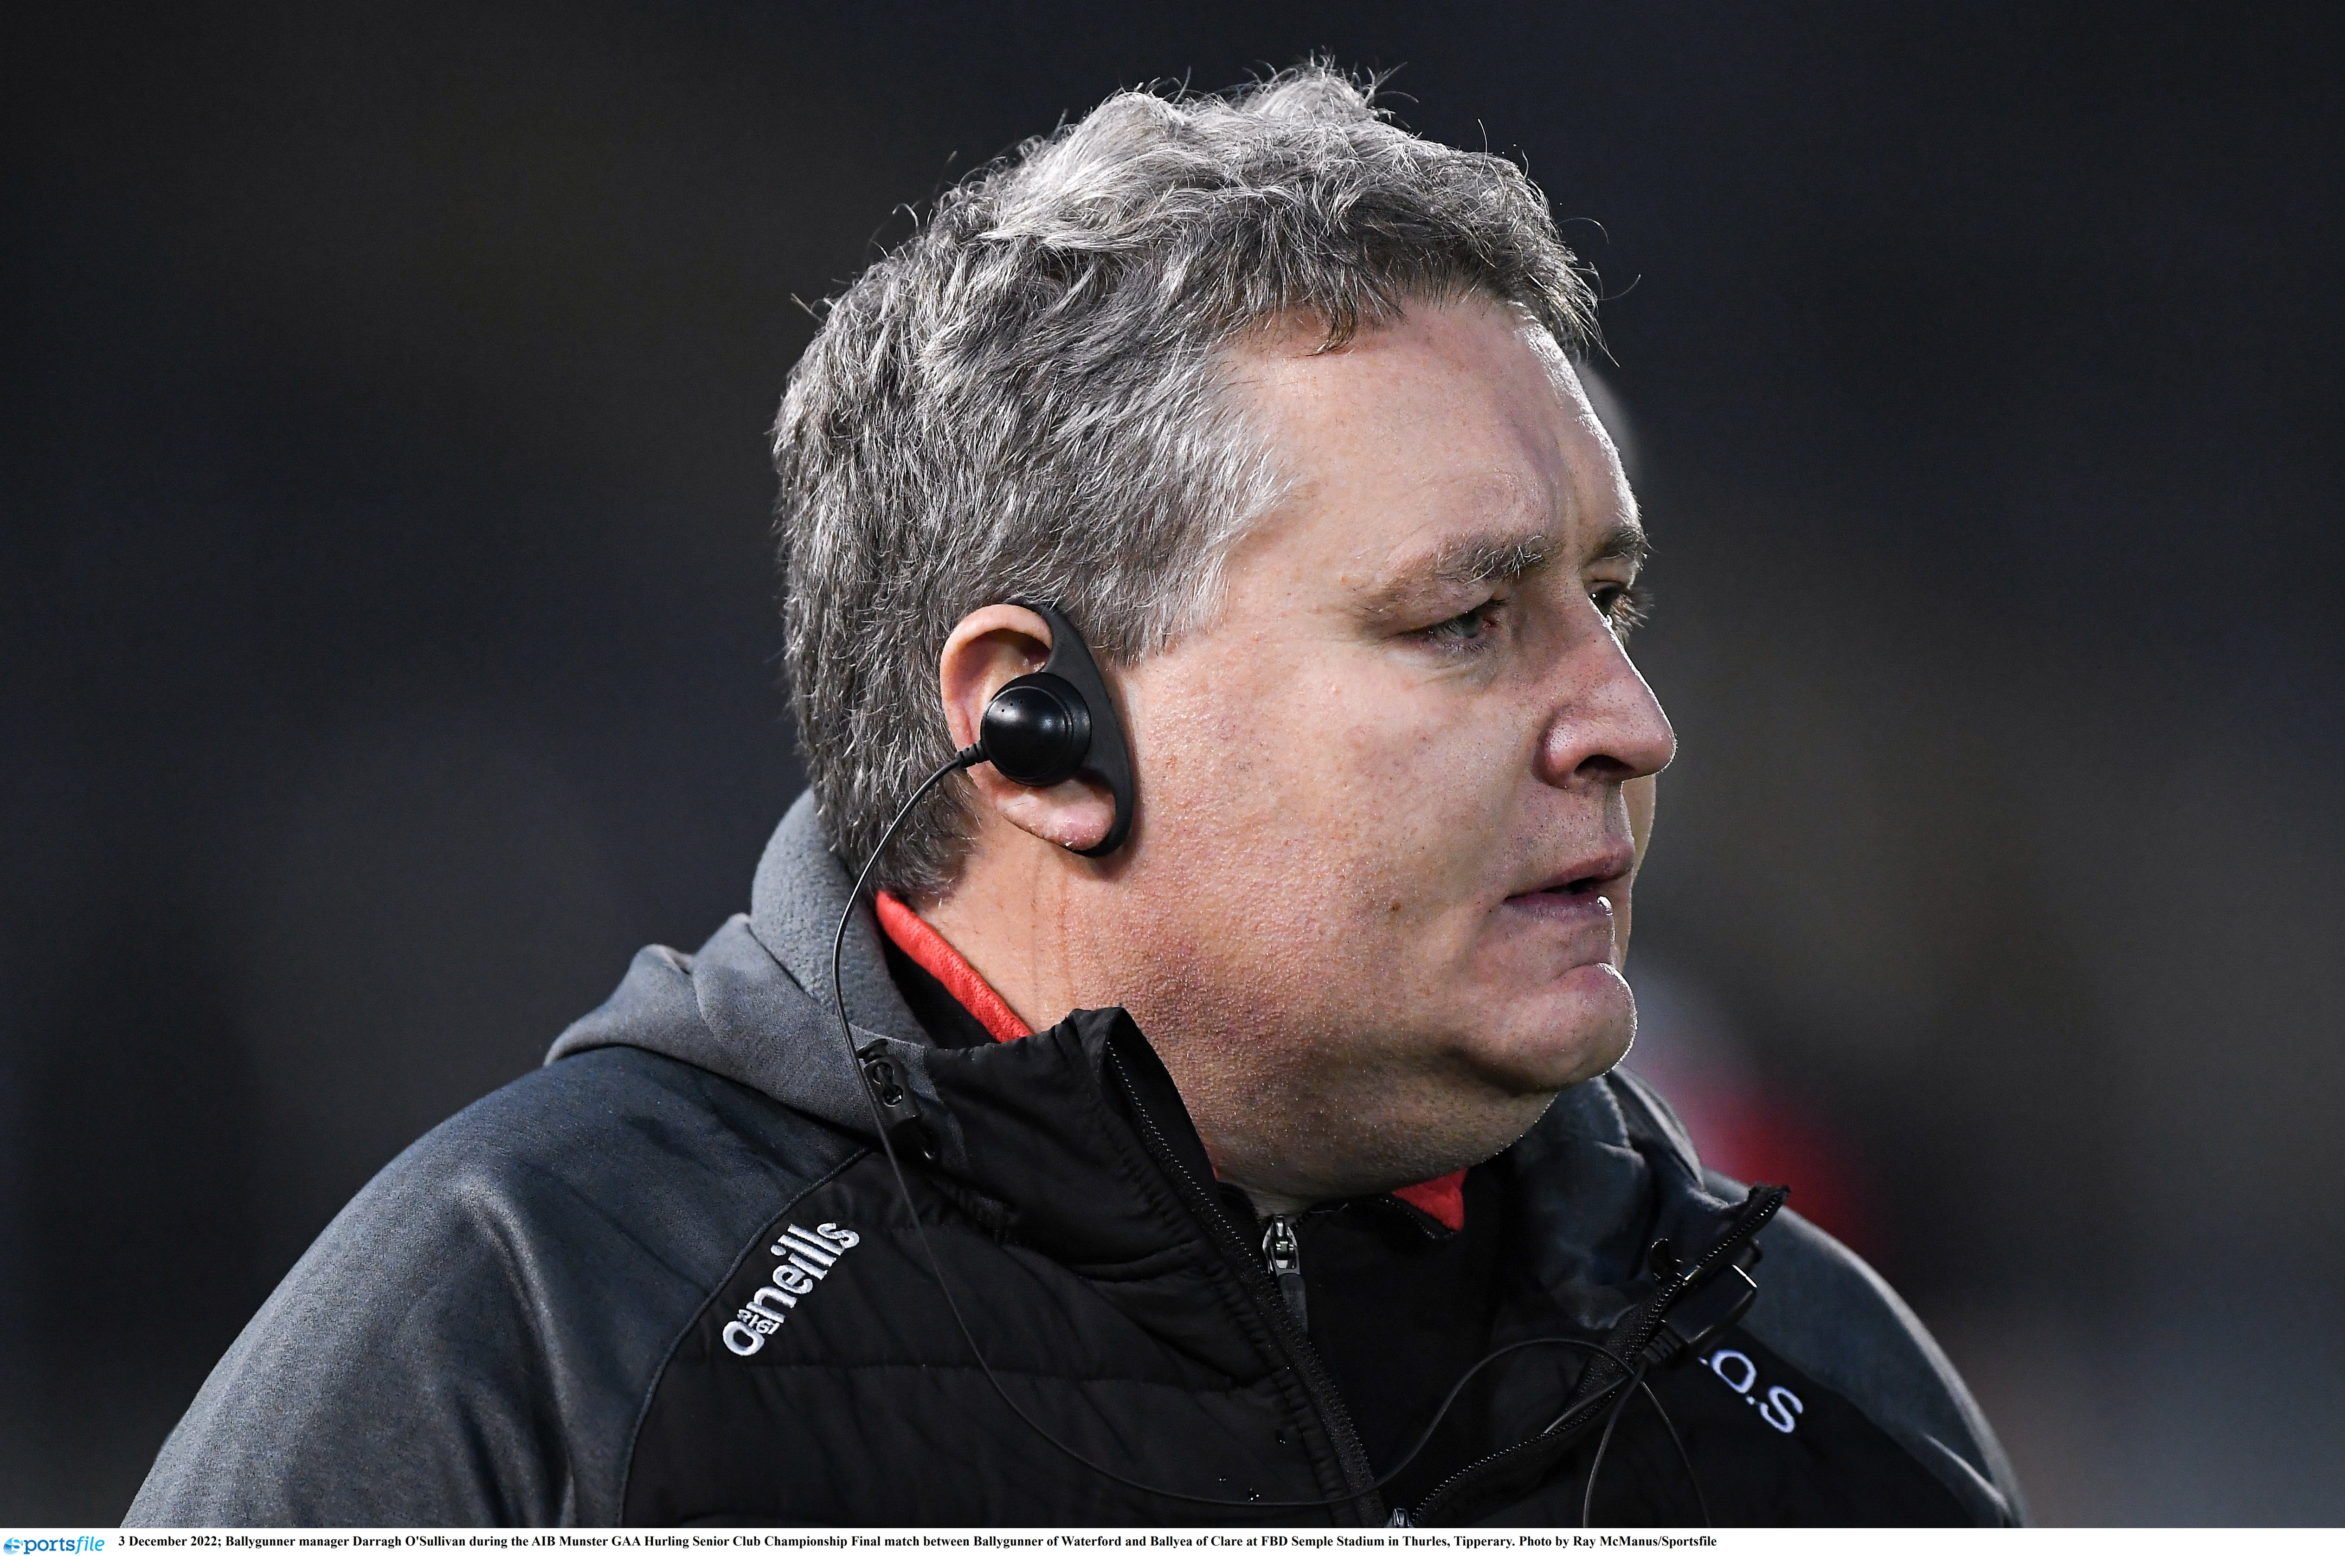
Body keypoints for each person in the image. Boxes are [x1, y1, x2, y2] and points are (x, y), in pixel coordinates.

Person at [128, 63, 2021, 1528]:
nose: (1630, 720)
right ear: (1042, 728)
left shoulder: (1815, 1378)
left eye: (1610, 604)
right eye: (1465, 620)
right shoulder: (528, 1345)